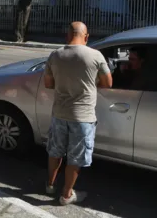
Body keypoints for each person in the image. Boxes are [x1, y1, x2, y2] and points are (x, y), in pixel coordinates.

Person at [43, 21, 113, 205]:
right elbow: (108, 83)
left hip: (59, 114)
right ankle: (66, 195)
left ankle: (50, 185)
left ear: (68, 35)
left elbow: (48, 84)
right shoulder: (96, 56)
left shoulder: (55, 55)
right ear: (86, 36)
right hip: (83, 117)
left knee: (55, 152)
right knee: (75, 158)